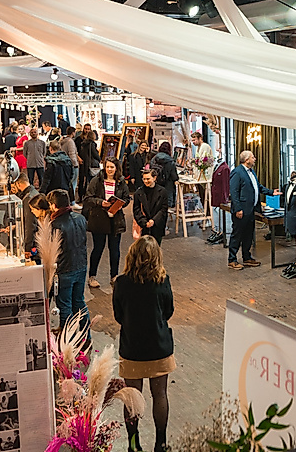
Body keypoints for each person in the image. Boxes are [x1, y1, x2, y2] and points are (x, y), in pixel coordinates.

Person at [113, 235, 175, 452]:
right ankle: (161, 443)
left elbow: (118, 315)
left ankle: (134, 444)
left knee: (132, 397)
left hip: (132, 348)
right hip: (159, 346)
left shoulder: (121, 283)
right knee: (160, 395)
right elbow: (169, 311)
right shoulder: (163, 281)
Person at [48, 189, 90, 347]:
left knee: (64, 305)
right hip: (81, 265)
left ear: (53, 205)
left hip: (65, 270)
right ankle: (86, 334)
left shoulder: (55, 224)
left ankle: (68, 338)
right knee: (79, 301)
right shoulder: (80, 218)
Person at [228, 150, 278, 270]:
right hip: (241, 211)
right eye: (252, 157)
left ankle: (247, 257)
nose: (254, 159)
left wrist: (271, 192)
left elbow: (257, 186)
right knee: (237, 234)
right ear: (246, 160)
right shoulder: (237, 172)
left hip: (250, 210)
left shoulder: (251, 172)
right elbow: (234, 192)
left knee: (248, 235)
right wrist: (238, 208)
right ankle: (232, 259)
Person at [84, 158, 130, 287]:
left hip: (116, 220)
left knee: (114, 250)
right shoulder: (96, 181)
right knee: (98, 248)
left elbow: (126, 198)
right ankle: (92, 276)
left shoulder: (121, 182)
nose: (109, 170)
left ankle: (114, 276)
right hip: (99, 219)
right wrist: (100, 202)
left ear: (116, 168)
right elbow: (88, 198)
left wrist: (121, 204)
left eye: (112, 167)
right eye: (107, 167)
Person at [133, 167, 169, 244]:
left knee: (156, 249)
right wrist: (144, 222)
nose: (146, 181)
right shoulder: (138, 193)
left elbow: (163, 209)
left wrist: (154, 220)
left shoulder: (162, 192)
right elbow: (136, 210)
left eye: (148, 179)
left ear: (154, 178)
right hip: (144, 227)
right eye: (144, 179)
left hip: (157, 226)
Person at [11, 172, 41, 261]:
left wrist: (27, 247)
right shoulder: (33, 192)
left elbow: (30, 223)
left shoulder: (28, 198)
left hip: (33, 242)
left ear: (18, 184)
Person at [152, 142, 179, 213]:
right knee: (166, 206)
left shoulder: (154, 158)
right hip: (167, 187)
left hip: (156, 185)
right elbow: (174, 176)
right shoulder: (170, 161)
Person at [78, 125, 101, 199]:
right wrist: (100, 159)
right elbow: (95, 154)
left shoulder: (83, 143)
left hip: (84, 165)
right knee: (93, 182)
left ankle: (82, 195)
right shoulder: (92, 144)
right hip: (91, 165)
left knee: (84, 181)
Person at [60, 126, 81, 201]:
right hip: (72, 165)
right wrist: (75, 164)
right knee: (73, 184)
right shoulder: (70, 142)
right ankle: (72, 201)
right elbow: (72, 154)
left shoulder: (62, 141)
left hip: (65, 164)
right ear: (73, 133)